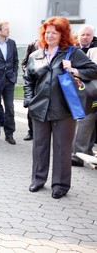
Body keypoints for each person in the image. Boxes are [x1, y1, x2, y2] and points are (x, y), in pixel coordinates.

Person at [24, 16, 97, 199]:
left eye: (54, 33)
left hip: (64, 109)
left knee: (62, 149)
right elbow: (28, 80)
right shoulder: (36, 55)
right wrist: (30, 100)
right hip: (39, 109)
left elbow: (94, 70)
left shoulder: (72, 53)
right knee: (39, 147)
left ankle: (61, 185)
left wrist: (74, 70)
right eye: (47, 32)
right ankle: (38, 180)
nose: (49, 36)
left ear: (62, 34)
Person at [72, 24, 97, 166]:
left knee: (91, 125)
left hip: (93, 91)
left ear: (92, 36)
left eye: (88, 35)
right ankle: (78, 155)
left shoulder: (94, 50)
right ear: (78, 36)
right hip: (83, 93)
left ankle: (86, 151)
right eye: (83, 34)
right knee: (84, 122)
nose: (85, 37)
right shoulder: (74, 49)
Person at [21, 40, 38, 141]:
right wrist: (28, 72)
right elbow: (24, 63)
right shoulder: (32, 45)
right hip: (34, 83)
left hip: (46, 84)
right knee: (31, 108)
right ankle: (31, 132)